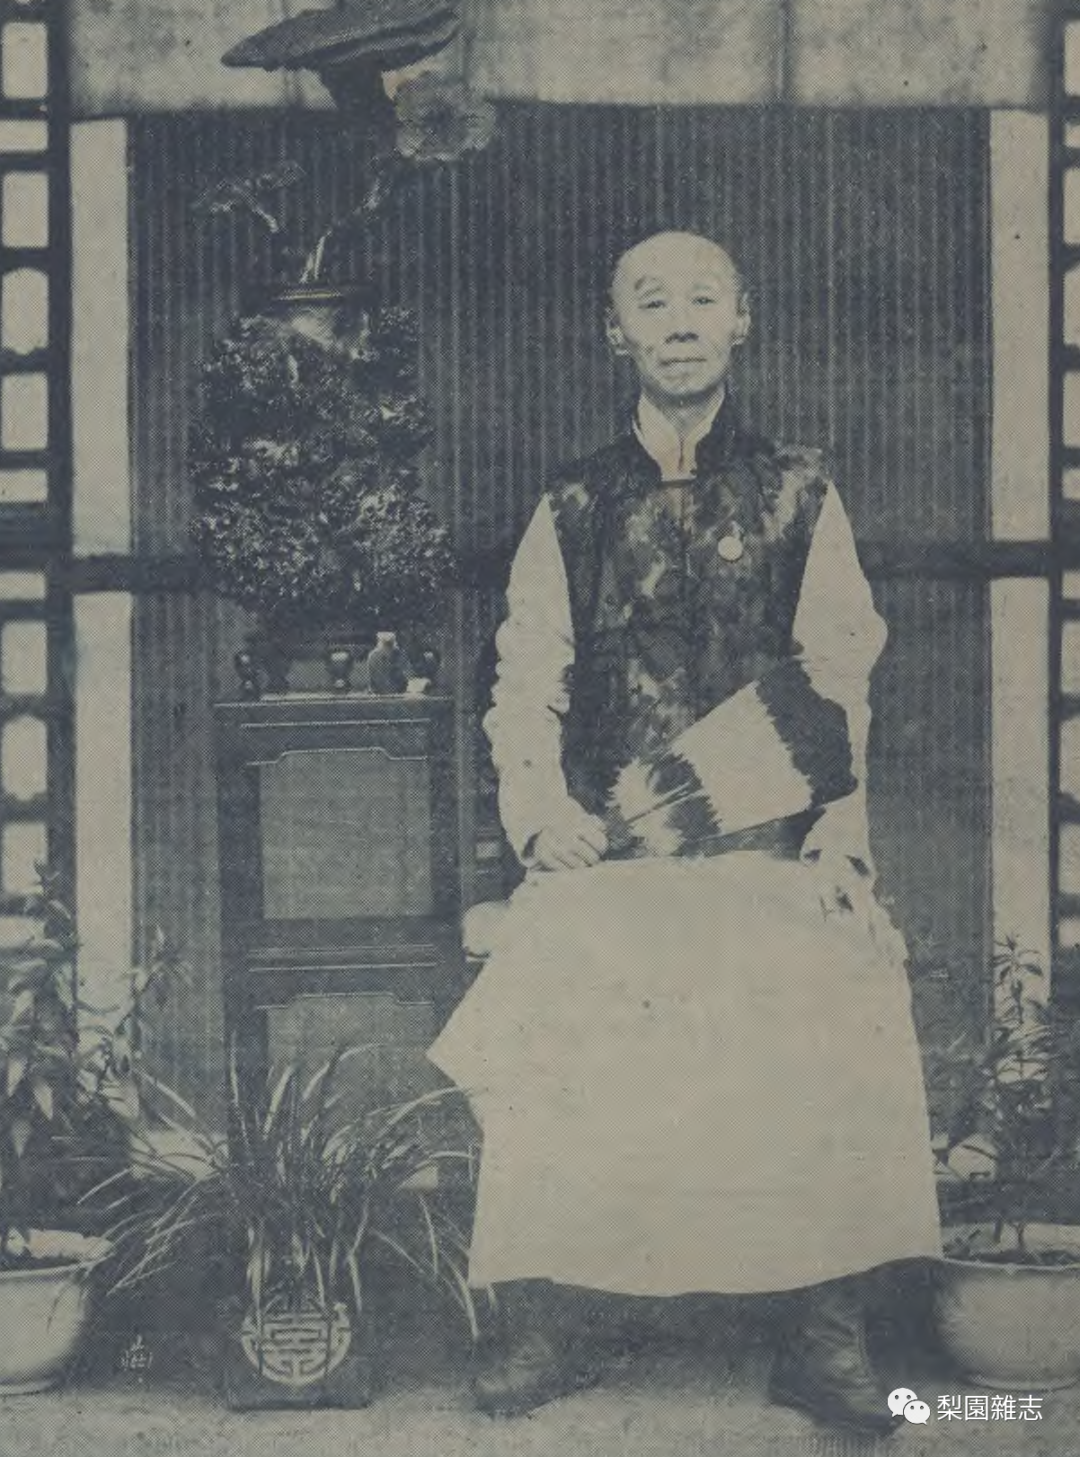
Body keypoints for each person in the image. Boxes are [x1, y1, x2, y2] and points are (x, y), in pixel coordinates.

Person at [427, 230, 942, 1438]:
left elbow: (837, 680)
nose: (678, 321)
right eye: (650, 303)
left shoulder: (801, 489)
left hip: (767, 855)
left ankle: (824, 1326)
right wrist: (543, 815)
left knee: (840, 963)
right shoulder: (572, 503)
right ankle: (548, 1308)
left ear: (740, 321)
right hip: (616, 856)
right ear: (616, 334)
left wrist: (837, 840)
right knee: (558, 963)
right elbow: (526, 680)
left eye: (702, 299)